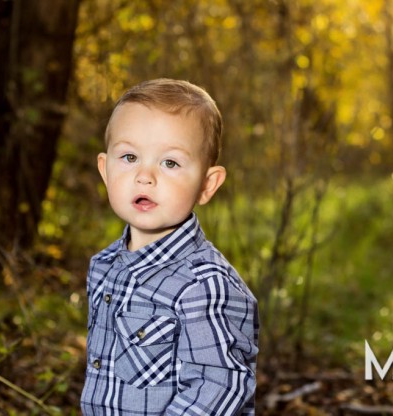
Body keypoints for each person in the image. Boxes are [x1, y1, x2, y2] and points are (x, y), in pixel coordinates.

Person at [80, 78, 259, 415]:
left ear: (207, 185)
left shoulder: (206, 285)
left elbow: (219, 387)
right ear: (105, 170)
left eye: (170, 163)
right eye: (130, 156)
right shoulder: (104, 266)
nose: (145, 176)